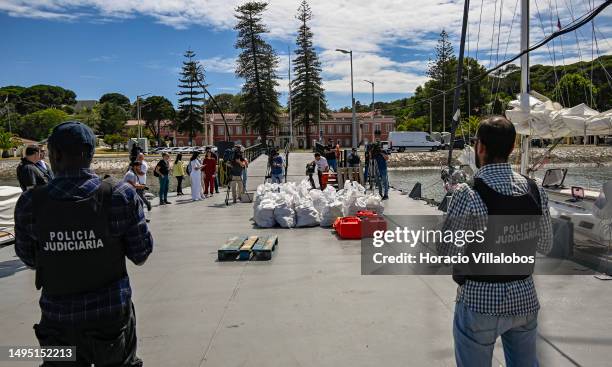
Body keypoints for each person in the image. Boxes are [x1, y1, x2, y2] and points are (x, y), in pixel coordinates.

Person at [14, 121, 153, 367]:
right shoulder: (119, 195)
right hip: (110, 322)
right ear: (91, 155)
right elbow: (141, 253)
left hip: (58, 324)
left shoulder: (30, 203)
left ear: (55, 154)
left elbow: (29, 259)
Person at [439, 116, 552, 367]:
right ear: (512, 148)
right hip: (524, 296)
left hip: (480, 300)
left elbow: (447, 253)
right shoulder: (536, 190)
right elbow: (545, 245)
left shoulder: (468, 193)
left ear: (480, 147)